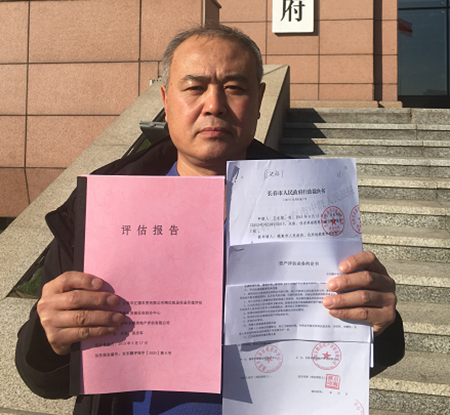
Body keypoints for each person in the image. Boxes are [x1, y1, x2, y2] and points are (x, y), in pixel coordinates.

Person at [16, 25, 404, 415]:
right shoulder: (102, 205)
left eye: (234, 87)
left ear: (259, 100)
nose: (214, 105)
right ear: (165, 100)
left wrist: (376, 324)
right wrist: (51, 338)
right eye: (195, 87)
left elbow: (338, 360)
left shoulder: (310, 202)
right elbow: (42, 378)